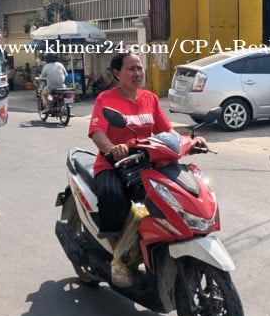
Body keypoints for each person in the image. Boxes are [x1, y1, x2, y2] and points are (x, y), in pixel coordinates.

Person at [88, 51, 205, 287]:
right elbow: (97, 132)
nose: (137, 73)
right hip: (114, 164)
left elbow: (166, 131)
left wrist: (189, 141)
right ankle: (118, 259)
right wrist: (112, 149)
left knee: (171, 197)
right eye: (131, 68)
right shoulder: (105, 99)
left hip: (146, 163)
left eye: (139, 68)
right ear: (117, 73)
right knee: (112, 196)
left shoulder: (149, 98)